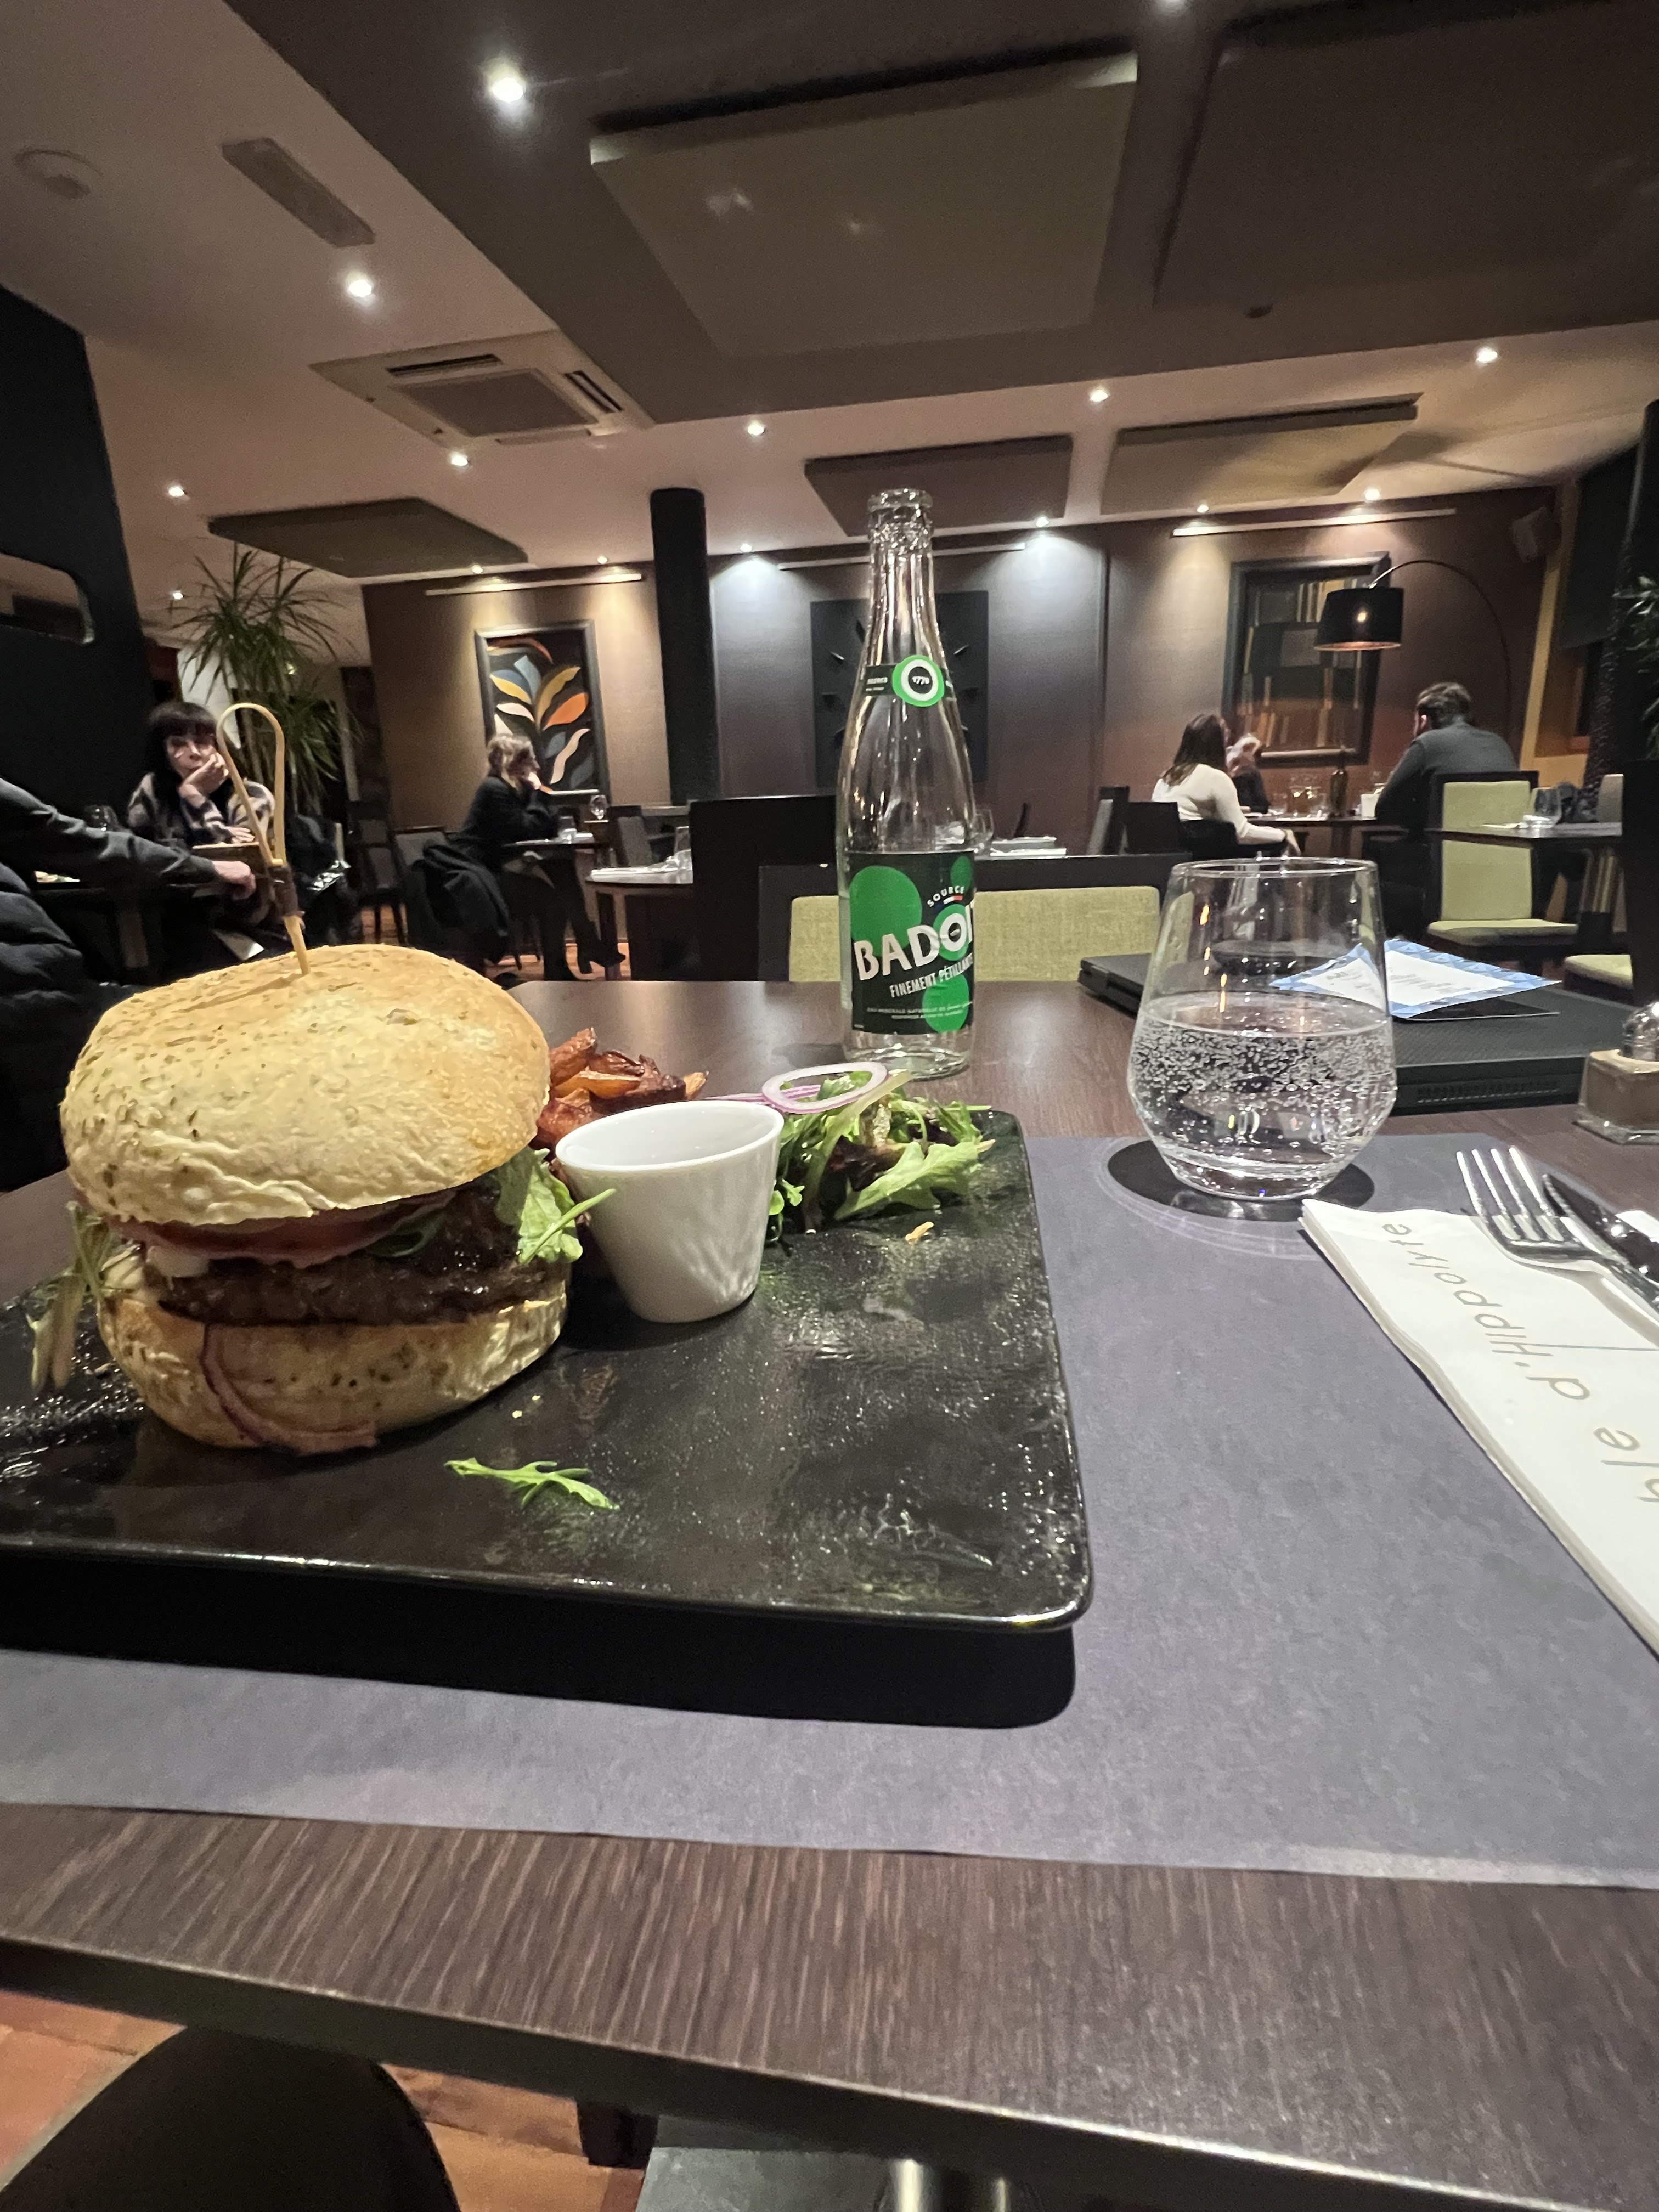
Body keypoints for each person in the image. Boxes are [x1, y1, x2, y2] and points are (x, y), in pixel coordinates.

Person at [0, 775, 255, 1187]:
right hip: (33, 1004)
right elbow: (76, 844)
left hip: (39, 994)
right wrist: (204, 867)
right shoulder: (154, 792)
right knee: (217, 1027)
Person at [1370, 681, 1517, 935]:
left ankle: (1398, 943)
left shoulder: (1427, 743)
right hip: (1503, 865)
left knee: (1374, 855)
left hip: (1441, 868)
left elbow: (1385, 809)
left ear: (1423, 720)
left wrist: (1420, 820)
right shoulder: (1499, 743)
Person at [452, 735, 604, 978]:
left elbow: (548, 827)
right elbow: (527, 829)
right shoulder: (494, 789)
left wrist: (538, 793)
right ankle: (579, 947)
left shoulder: (514, 790)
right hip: (481, 873)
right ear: (514, 763)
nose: (536, 766)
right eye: (530, 760)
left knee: (561, 866)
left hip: (502, 863)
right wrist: (539, 793)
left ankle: (581, 945)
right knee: (552, 900)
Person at [126, 701, 275, 851]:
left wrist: (196, 799)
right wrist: (225, 834)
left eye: (202, 742)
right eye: (178, 744)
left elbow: (243, 857)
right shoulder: (153, 790)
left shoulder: (252, 796)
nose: (194, 752)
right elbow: (137, 852)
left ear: (219, 747)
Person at [1153, 714, 1293, 851]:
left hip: (1170, 855)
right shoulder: (1215, 777)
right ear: (1219, 745)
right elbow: (1242, 833)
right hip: (1206, 856)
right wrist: (1283, 834)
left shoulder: (1166, 778)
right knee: (1279, 843)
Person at [1226, 731, 1269, 814]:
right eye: (1246, 749)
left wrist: (1246, 810)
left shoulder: (1253, 774)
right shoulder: (1220, 772)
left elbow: (1263, 807)